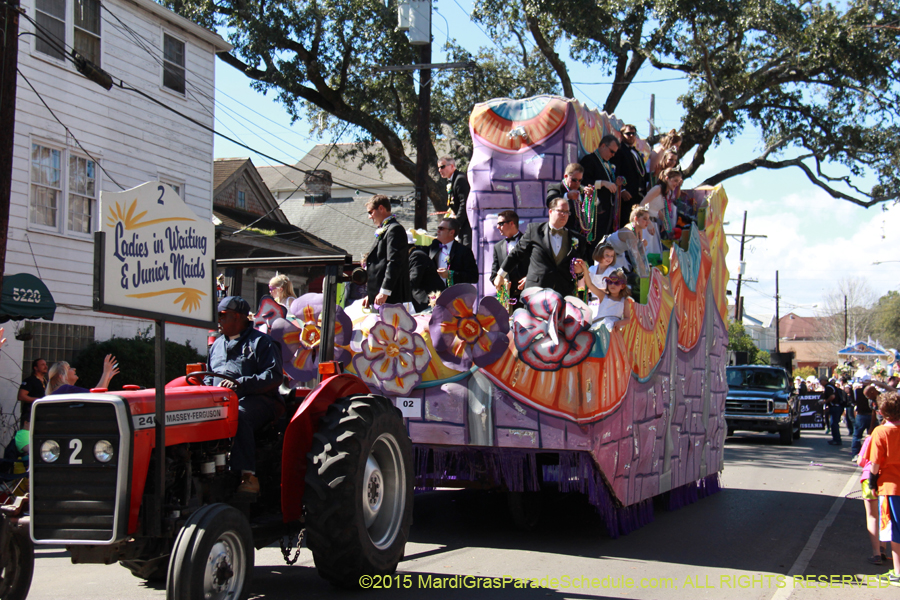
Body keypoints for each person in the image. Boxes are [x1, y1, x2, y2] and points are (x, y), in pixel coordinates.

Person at [207, 296, 284, 495]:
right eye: (217, 316)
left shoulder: (261, 342)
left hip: (260, 400)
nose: (219, 320)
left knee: (238, 415)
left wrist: (241, 383)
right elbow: (208, 376)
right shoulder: (216, 345)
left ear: (239, 317)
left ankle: (248, 476)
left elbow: (273, 376)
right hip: (221, 400)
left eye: (223, 316)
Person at [493, 197, 590, 297]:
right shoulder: (534, 231)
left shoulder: (577, 238)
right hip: (537, 292)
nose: (564, 215)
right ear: (550, 211)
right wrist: (500, 275)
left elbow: (584, 263)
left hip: (563, 292)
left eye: (567, 212)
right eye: (561, 211)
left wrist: (580, 271)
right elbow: (516, 254)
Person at [865, 391, 900, 585]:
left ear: (881, 411)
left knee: (895, 530)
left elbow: (875, 462)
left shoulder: (880, 432)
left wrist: (872, 480)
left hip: (891, 486)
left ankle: (898, 571)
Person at [363, 194, 411, 308]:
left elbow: (394, 262)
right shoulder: (385, 229)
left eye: (370, 212)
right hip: (379, 296)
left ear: (381, 208)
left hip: (392, 296)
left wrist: (384, 292)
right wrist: (370, 294)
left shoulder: (395, 229)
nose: (370, 217)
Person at [578, 135, 622, 238]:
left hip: (608, 210)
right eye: (611, 151)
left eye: (615, 153)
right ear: (603, 145)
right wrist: (602, 183)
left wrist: (615, 184)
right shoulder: (589, 160)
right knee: (594, 240)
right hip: (595, 211)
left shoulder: (608, 164)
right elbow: (583, 181)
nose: (613, 155)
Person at [858, 433, 890, 565]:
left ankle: (876, 553)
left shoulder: (871, 437)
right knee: (886, 515)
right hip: (888, 479)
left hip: (868, 478)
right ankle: (883, 548)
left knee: (872, 516)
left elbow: (860, 461)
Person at [613, 124, 649, 225]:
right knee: (626, 224)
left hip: (639, 196)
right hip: (627, 195)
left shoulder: (637, 153)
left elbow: (642, 173)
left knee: (638, 224)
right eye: (628, 134)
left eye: (633, 133)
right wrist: (622, 190)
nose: (631, 136)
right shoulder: (619, 151)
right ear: (621, 135)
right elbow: (616, 171)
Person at [491, 210, 527, 311]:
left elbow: (538, 266)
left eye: (501, 224)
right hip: (507, 301)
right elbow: (494, 275)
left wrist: (529, 278)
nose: (498, 227)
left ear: (512, 223)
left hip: (527, 298)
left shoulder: (529, 243)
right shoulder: (498, 247)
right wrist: (502, 282)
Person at [546, 163, 596, 235]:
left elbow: (599, 208)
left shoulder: (582, 190)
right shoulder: (556, 187)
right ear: (566, 176)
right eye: (574, 180)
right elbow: (550, 201)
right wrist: (567, 196)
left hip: (581, 234)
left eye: (580, 180)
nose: (577, 183)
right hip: (562, 232)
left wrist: (592, 198)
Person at [429, 218, 479, 287]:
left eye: (441, 228)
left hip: (454, 294)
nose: (438, 231)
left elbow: (473, 277)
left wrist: (450, 274)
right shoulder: (434, 247)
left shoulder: (464, 251)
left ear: (451, 232)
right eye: (438, 228)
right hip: (435, 293)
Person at [577, 267, 630, 331]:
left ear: (622, 286)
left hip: (614, 328)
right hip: (599, 326)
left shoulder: (624, 301)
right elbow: (590, 285)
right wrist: (585, 269)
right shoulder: (603, 296)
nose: (612, 285)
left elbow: (628, 318)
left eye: (616, 283)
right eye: (610, 282)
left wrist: (620, 322)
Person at [438, 156, 472, 247]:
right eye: (438, 168)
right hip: (461, 224)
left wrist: (456, 223)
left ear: (452, 166)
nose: (439, 170)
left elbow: (464, 203)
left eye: (442, 167)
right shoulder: (452, 180)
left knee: (465, 248)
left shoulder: (460, 179)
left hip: (467, 223)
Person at [46, 355, 119, 395]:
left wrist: (107, 378)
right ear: (61, 376)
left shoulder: (59, 391)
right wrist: (106, 372)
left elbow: (98, 394)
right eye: (69, 368)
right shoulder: (66, 389)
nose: (74, 369)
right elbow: (96, 396)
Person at [408, 237, 444, 313]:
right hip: (421, 301)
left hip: (429, 301)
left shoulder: (417, 256)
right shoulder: (410, 256)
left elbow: (413, 280)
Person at [18, 357, 48, 427]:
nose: (46, 366)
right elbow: (21, 396)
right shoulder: (30, 380)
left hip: (42, 414)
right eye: (42, 365)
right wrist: (38, 400)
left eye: (46, 364)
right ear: (36, 368)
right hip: (30, 414)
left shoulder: (45, 381)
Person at [821, 380, 845, 446]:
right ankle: (836, 439)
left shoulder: (828, 387)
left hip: (835, 406)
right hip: (837, 406)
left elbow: (832, 396)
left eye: (821, 381)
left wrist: (825, 402)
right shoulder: (832, 386)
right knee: (834, 423)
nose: (820, 383)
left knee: (834, 423)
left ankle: (837, 440)